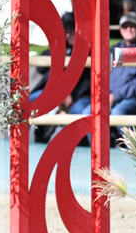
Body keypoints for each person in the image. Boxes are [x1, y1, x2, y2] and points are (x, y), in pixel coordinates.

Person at [81, 11, 136, 145]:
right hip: (112, 97)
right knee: (87, 111)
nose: (128, 29)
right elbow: (104, 76)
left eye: (132, 26)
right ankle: (96, 153)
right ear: (120, 30)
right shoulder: (115, 49)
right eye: (125, 26)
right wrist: (106, 95)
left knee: (118, 113)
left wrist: (115, 96)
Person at [28, 11, 90, 144]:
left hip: (78, 96)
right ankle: (24, 146)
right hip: (54, 94)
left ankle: (81, 148)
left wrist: (68, 96)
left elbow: (87, 80)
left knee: (77, 111)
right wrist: (57, 45)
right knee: (26, 103)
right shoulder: (59, 47)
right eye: (66, 31)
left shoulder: (87, 50)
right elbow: (40, 68)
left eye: (72, 30)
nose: (69, 34)